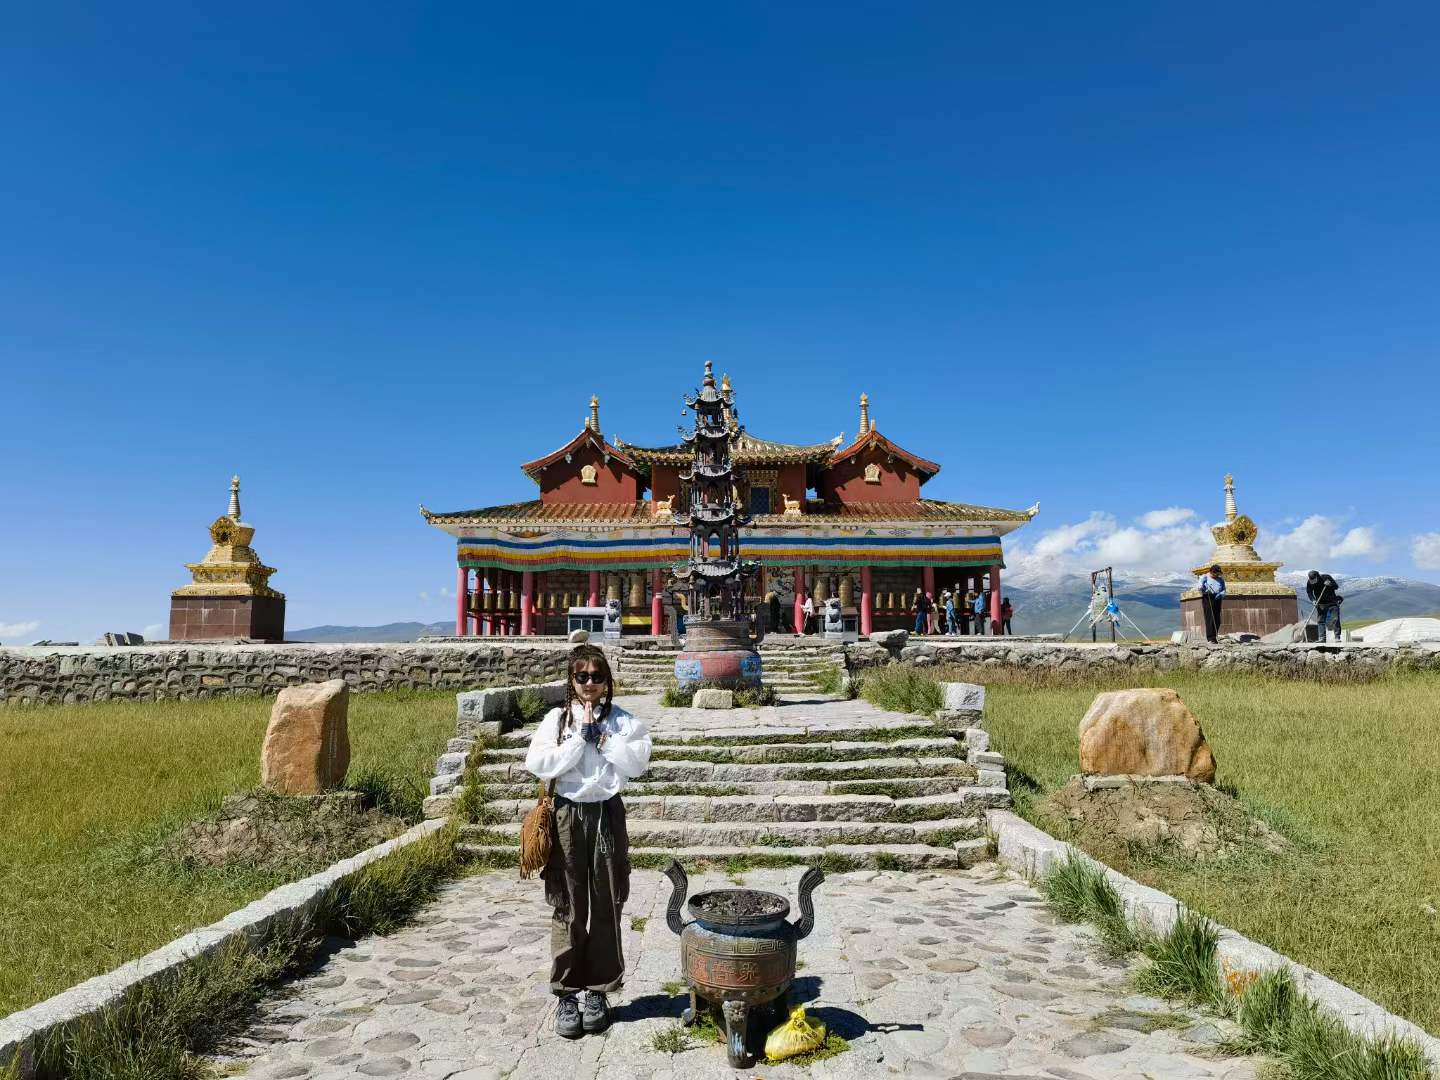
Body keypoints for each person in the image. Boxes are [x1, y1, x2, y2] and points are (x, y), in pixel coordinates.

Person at [525, 644, 652, 1040]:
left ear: (607, 681)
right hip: (567, 813)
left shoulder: (622, 721)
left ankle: (599, 990)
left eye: (597, 676)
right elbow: (538, 763)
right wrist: (579, 740)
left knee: (607, 899)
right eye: (582, 676)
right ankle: (567, 992)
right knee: (567, 901)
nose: (590, 683)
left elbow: (638, 763)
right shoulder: (556, 720)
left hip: (607, 813)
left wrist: (605, 740)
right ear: (572, 679)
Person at [1306, 570, 1344, 643]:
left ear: (1317, 576)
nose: (1313, 582)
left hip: (1332, 602)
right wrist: (1313, 600)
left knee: (1335, 619)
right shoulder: (1309, 582)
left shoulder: (1326, 577)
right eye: (1311, 580)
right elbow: (1309, 592)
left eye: (1314, 580)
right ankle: (1322, 638)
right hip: (1320, 603)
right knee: (1321, 621)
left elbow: (1336, 586)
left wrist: (1330, 584)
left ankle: (1337, 637)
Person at [1197, 564, 1226, 643]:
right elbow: (1199, 587)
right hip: (1208, 597)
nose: (1217, 575)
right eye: (1216, 573)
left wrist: (1222, 593)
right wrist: (1203, 588)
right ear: (1212, 572)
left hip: (1217, 597)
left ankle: (1214, 636)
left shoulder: (1220, 579)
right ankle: (1210, 638)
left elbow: (1224, 589)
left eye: (1219, 573)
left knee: (1217, 618)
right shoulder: (1204, 577)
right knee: (1210, 618)